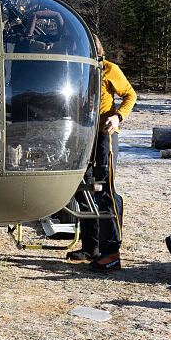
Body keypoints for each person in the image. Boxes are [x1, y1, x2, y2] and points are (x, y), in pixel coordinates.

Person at [68, 34, 136, 272]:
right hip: (81, 135)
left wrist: (118, 117)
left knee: (104, 189)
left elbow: (130, 95)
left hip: (104, 136)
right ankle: (91, 247)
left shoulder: (109, 69)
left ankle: (112, 252)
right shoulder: (75, 69)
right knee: (84, 187)